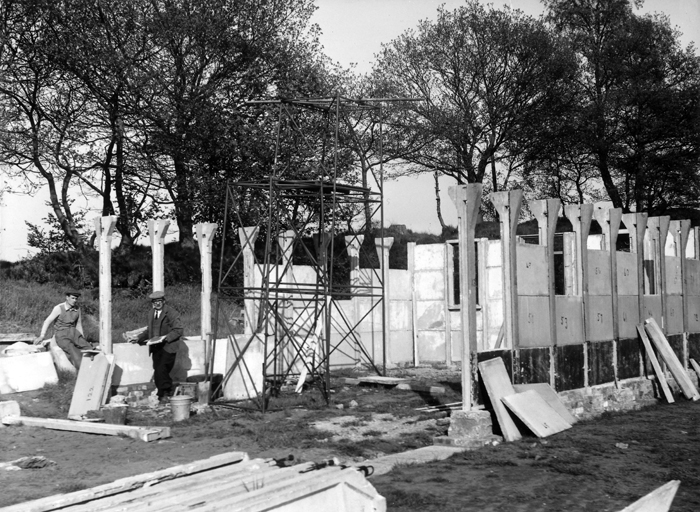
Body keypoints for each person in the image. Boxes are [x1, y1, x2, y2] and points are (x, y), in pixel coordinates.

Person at [132, 290, 183, 403]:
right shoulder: (151, 313)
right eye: (155, 302)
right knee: (158, 369)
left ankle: (164, 393)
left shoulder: (171, 313)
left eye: (159, 301)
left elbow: (178, 330)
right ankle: (164, 392)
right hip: (156, 347)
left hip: (168, 346)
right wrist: (139, 338)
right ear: (152, 303)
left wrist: (165, 338)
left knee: (162, 369)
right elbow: (149, 331)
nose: (157, 304)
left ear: (163, 301)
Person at [34, 291, 95, 370]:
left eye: (76, 299)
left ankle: (96, 367)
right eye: (72, 298)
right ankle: (83, 371)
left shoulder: (77, 309)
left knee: (88, 347)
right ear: (67, 297)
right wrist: (42, 336)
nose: (74, 300)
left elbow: (78, 324)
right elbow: (47, 321)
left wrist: (82, 338)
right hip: (61, 334)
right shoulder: (59, 308)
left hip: (73, 332)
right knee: (72, 350)